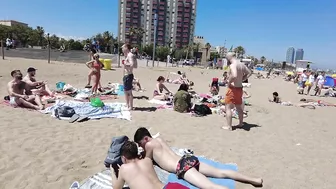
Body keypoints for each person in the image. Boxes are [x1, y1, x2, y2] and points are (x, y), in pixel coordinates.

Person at [134, 127, 263, 189]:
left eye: (141, 144)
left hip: (182, 167)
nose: (142, 147)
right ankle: (254, 179)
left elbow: (147, 161)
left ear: (146, 139)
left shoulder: (149, 145)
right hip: (187, 159)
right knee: (220, 172)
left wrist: (141, 155)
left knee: (210, 186)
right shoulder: (159, 139)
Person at [111, 141, 189, 189]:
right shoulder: (147, 161)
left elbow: (116, 188)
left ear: (124, 158)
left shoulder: (124, 168)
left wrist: (112, 172)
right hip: (171, 187)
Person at [223, 52, 252, 131]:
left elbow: (234, 75)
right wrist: (243, 79)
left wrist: (229, 83)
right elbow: (249, 72)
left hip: (233, 88)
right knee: (239, 107)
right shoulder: (241, 64)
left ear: (229, 57)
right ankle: (241, 123)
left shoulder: (233, 65)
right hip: (239, 88)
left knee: (228, 107)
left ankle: (229, 126)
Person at [122, 44, 137, 110]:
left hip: (128, 75)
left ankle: (130, 106)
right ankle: (127, 104)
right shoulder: (128, 55)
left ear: (126, 48)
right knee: (125, 91)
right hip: (127, 75)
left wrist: (125, 64)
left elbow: (132, 64)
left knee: (129, 92)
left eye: (123, 48)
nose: (122, 49)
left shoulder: (129, 55)